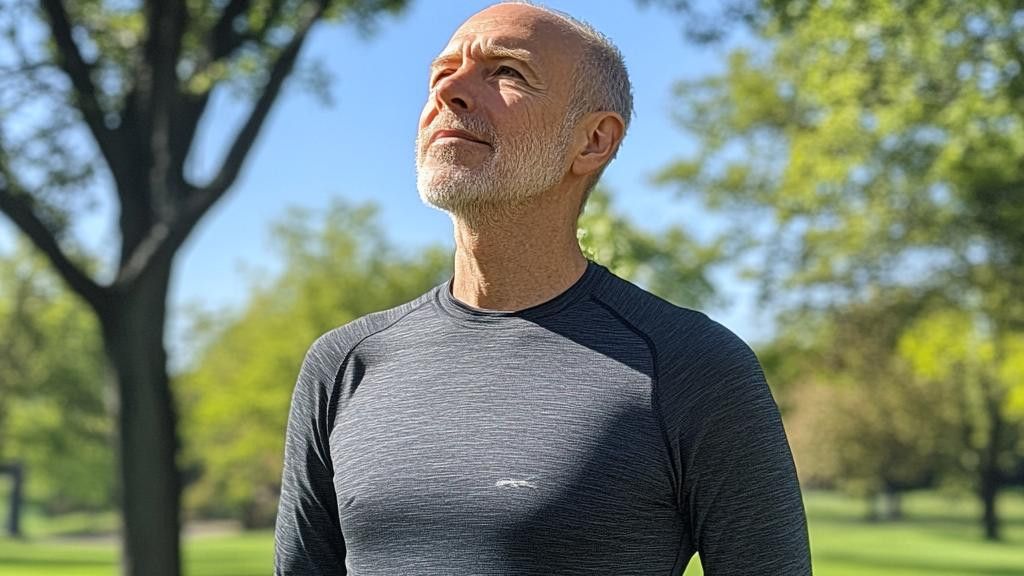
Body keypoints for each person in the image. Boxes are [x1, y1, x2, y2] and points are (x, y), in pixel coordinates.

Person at [273, 2, 812, 574]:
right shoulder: (343, 364)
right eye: (440, 73)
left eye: (506, 72)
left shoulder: (693, 366)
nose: (449, 91)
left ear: (594, 141)